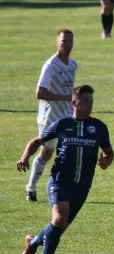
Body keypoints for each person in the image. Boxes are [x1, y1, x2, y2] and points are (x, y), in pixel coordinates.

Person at [16, 85, 114, 254]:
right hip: (60, 180)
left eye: (92, 101)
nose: (90, 104)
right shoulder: (62, 124)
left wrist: (106, 160)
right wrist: (25, 157)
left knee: (59, 226)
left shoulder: (99, 127)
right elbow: (37, 141)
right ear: (75, 103)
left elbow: (108, 151)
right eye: (86, 101)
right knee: (60, 218)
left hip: (83, 185)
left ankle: (33, 243)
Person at [25, 29, 77, 202]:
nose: (67, 44)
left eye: (70, 41)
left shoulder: (73, 64)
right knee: (46, 152)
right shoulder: (50, 66)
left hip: (68, 115)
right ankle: (31, 187)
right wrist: (65, 97)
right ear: (57, 43)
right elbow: (40, 93)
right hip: (50, 117)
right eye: (64, 41)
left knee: (71, 149)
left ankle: (64, 189)